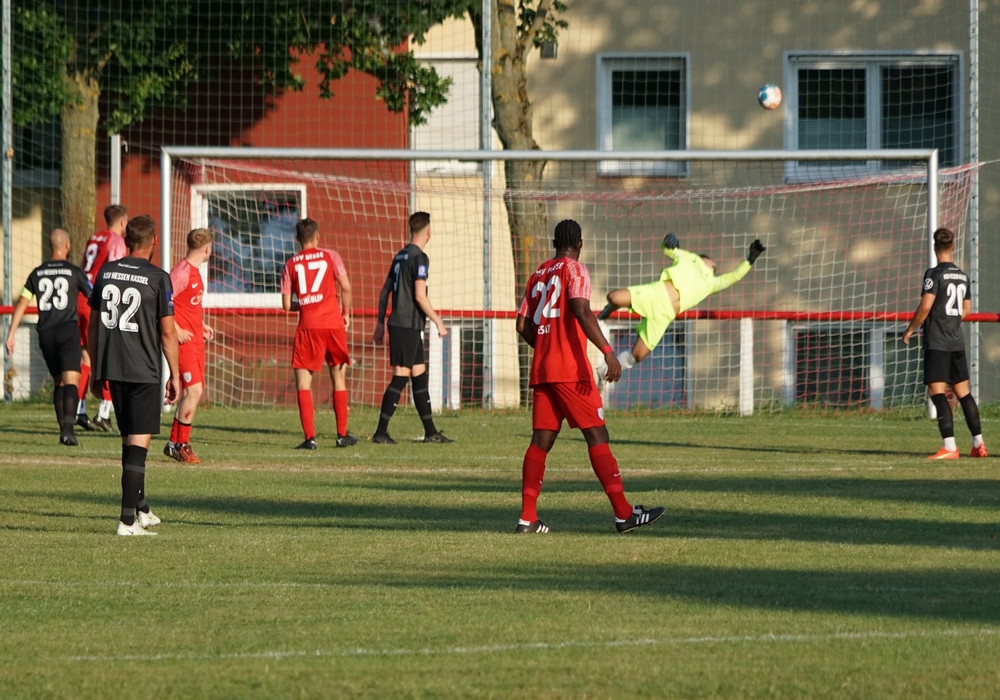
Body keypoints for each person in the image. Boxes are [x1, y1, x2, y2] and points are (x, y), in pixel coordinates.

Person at [515, 219, 664, 534]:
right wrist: (609, 352)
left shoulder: (538, 273)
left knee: (540, 442)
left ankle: (527, 517)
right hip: (570, 370)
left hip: (542, 370)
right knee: (597, 435)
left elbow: (522, 325)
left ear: (555, 242)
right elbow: (581, 309)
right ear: (579, 243)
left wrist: (545, 346)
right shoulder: (575, 270)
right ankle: (624, 514)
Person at [88, 214, 180, 536]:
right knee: (138, 444)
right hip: (143, 369)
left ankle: (140, 510)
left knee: (129, 441)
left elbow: (94, 324)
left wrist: (96, 369)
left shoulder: (106, 271)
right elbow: (168, 334)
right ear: (153, 241)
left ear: (127, 240)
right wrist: (176, 375)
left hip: (113, 366)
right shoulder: (158, 277)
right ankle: (126, 522)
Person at [597, 233, 765, 373]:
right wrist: (669, 240)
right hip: (657, 293)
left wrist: (749, 260)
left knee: (638, 355)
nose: (716, 266)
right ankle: (611, 307)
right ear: (705, 259)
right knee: (613, 297)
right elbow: (670, 250)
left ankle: (604, 373)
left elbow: (734, 277)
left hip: (665, 315)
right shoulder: (690, 258)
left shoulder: (712, 283)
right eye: (714, 263)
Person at [902, 227, 988, 460]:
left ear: (934, 248)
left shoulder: (933, 274)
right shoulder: (962, 275)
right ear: (952, 246)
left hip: (938, 342)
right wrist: (951, 319)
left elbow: (926, 305)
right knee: (964, 394)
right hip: (956, 342)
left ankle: (949, 446)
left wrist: (911, 328)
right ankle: (978, 444)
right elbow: (967, 309)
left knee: (937, 392)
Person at [4, 229, 92, 446]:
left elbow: (23, 302)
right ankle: (69, 431)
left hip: (45, 333)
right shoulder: (74, 271)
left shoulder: (37, 272)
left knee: (58, 382)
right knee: (72, 379)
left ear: (50, 246)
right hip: (67, 330)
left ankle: (63, 429)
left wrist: (11, 333)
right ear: (67, 246)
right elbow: (93, 296)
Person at [371, 212, 452, 445]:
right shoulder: (419, 257)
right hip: (406, 325)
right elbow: (419, 295)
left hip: (408, 325)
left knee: (419, 376)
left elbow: (385, 291)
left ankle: (431, 432)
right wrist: (438, 321)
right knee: (400, 377)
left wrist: (379, 323)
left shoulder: (399, 256)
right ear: (428, 231)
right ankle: (380, 432)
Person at [280, 218, 357, 450]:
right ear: (317, 238)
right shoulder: (330, 256)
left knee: (304, 383)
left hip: (308, 326)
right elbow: (346, 287)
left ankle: (310, 438)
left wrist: (305, 305)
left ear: (297, 240)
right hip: (333, 325)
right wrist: (345, 314)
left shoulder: (290, 264)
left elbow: (285, 305)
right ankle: (341, 435)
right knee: (339, 379)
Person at [163, 228, 215, 463]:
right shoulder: (182, 271)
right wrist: (177, 328)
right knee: (194, 391)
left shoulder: (194, 272)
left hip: (195, 341)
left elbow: (187, 306)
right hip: (183, 343)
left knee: (193, 391)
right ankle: (180, 444)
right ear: (207, 248)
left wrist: (200, 325)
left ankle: (175, 443)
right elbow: (162, 302)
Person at [77, 204, 129, 432]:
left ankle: (79, 410)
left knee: (87, 358)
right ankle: (104, 412)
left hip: (80, 298)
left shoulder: (94, 237)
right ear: (122, 222)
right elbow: (116, 272)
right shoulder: (116, 240)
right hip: (97, 301)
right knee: (109, 355)